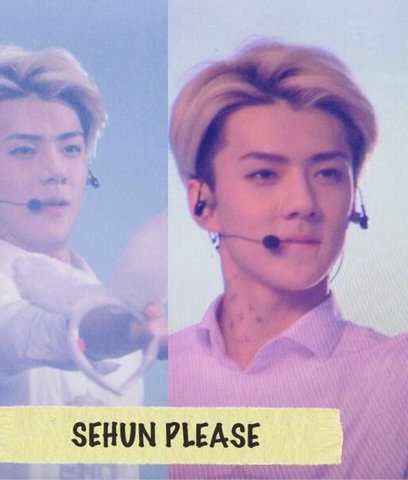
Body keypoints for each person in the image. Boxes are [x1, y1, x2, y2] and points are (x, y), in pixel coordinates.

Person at [168, 40, 408, 479]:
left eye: (328, 173)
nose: (304, 203)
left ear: (354, 200)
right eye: (265, 174)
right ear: (203, 204)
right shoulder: (157, 373)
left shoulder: (395, 379)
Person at [0, 45, 164, 479]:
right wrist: (128, 330)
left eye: (71, 149)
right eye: (25, 151)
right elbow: (31, 332)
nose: (56, 170)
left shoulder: (122, 312)